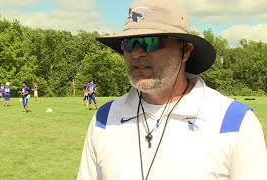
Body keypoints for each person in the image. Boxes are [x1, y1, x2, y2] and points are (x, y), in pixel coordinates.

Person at [77, 0, 267, 179]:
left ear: (185, 51)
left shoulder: (234, 123)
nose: (136, 53)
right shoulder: (104, 119)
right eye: (128, 43)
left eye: (150, 42)